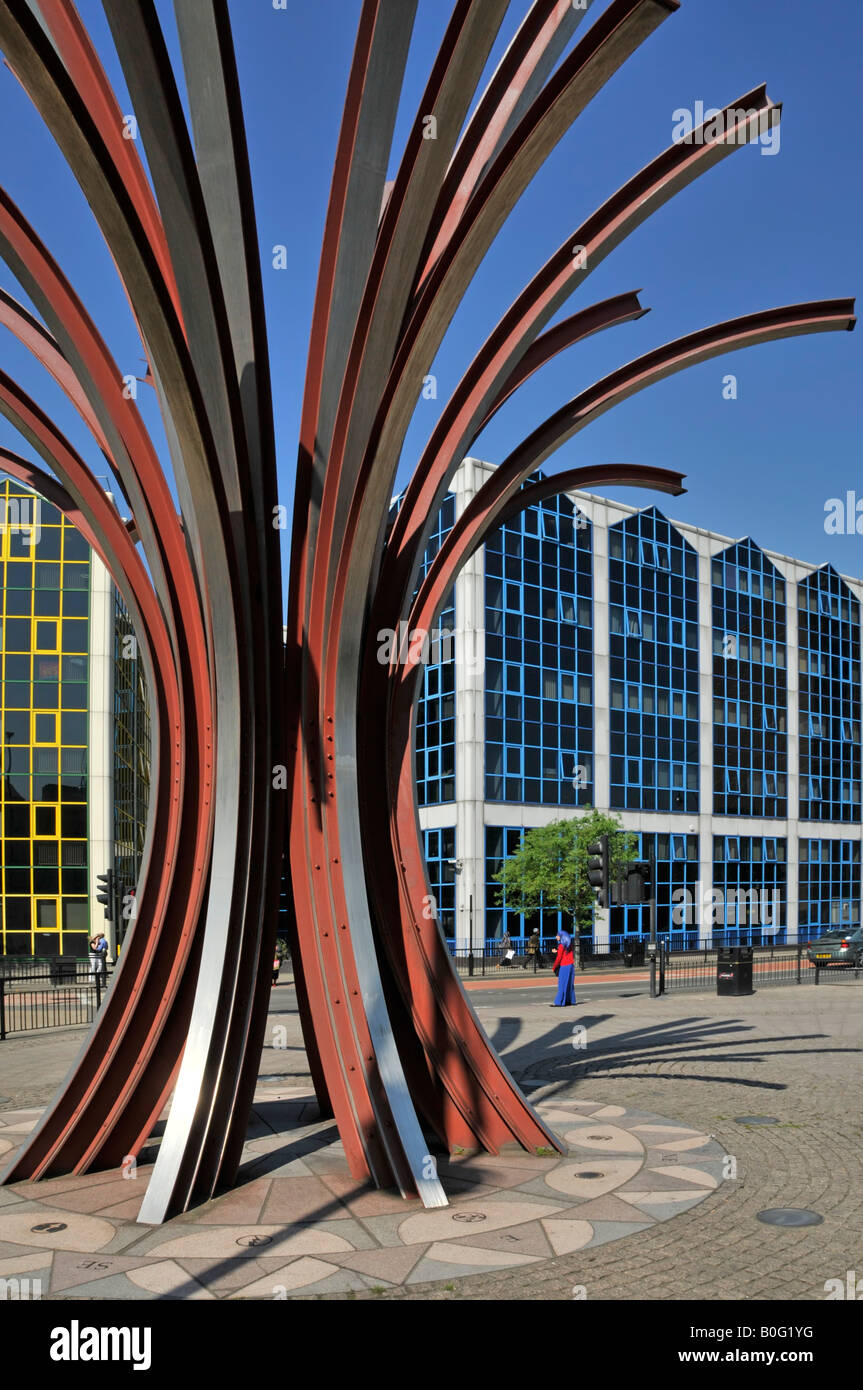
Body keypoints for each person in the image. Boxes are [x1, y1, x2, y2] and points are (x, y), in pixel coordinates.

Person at [550, 930, 576, 1006]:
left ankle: (559, 1002)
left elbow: (559, 958)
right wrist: (557, 951)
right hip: (571, 965)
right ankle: (571, 1001)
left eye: (557, 935)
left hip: (564, 966)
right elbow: (565, 954)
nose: (556, 937)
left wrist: (554, 967)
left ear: (561, 936)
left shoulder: (561, 945)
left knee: (562, 984)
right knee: (569, 984)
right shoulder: (569, 945)